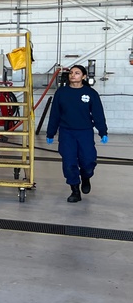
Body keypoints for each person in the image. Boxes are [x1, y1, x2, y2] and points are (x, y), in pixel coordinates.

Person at [46, 64, 108, 203]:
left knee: (88, 160)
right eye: (71, 73)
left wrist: (102, 131)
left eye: (77, 73)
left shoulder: (91, 93)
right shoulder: (61, 93)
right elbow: (55, 114)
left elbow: (98, 114)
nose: (73, 75)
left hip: (85, 132)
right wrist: (51, 133)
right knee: (69, 162)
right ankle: (75, 190)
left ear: (84, 76)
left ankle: (86, 177)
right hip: (66, 133)